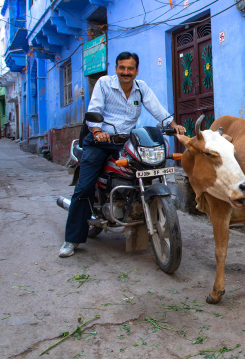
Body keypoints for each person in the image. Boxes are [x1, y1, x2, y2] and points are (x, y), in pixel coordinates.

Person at [59, 51, 186, 257]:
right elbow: (95, 109)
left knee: (145, 170)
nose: (125, 72)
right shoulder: (104, 84)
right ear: (116, 69)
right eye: (122, 68)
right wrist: (98, 131)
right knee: (84, 188)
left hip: (126, 141)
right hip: (100, 141)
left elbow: (157, 109)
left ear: (136, 71)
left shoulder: (141, 88)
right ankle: (71, 239)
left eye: (130, 68)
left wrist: (174, 125)